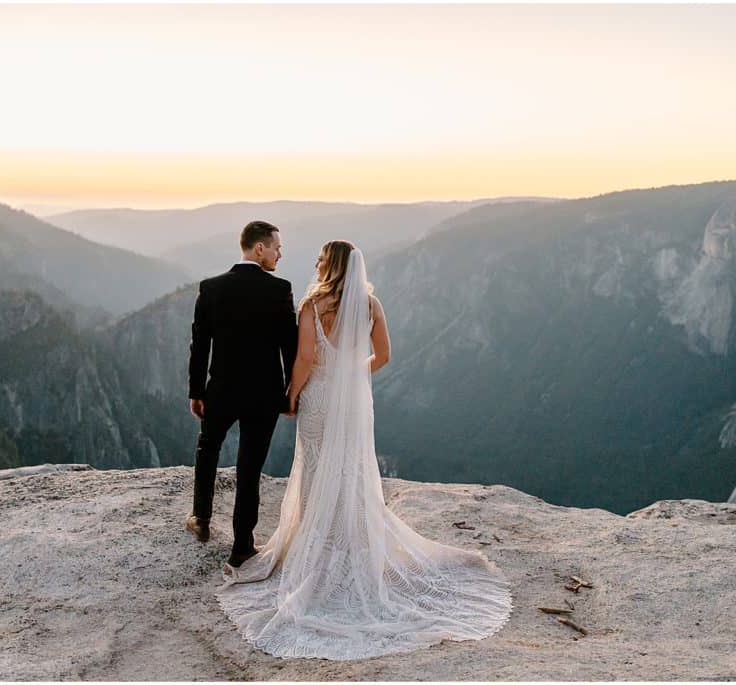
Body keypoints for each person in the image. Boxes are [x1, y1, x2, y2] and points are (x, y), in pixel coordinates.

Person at [214, 240, 514, 660]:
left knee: (318, 469)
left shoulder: (312, 305)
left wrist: (291, 395)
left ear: (331, 265)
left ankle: (316, 547)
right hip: (353, 401)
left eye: (320, 258)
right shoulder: (370, 304)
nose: (315, 262)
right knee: (351, 469)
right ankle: (353, 545)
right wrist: (350, 373)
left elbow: (304, 357)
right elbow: (385, 355)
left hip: (318, 398)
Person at [186, 220, 299, 569]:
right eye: (277, 247)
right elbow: (290, 349)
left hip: (220, 389)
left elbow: (200, 345)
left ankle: (201, 520)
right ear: (259, 248)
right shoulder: (280, 289)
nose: (281, 253)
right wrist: (289, 394)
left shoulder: (211, 288)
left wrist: (196, 390)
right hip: (264, 395)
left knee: (208, 451)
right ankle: (241, 546)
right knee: (250, 469)